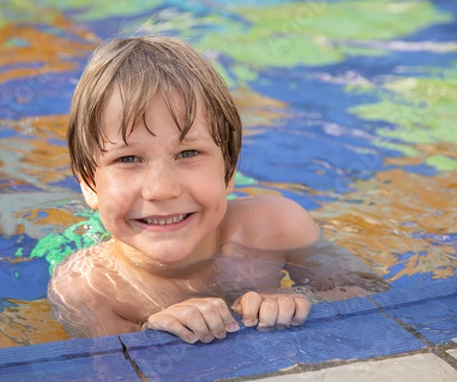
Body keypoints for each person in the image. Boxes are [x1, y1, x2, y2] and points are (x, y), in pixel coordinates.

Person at [47, 36, 388, 344]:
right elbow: (115, 372)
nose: (161, 190)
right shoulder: (88, 289)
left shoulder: (276, 227)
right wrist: (150, 336)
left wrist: (301, 300)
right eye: (128, 158)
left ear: (229, 171)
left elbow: (376, 300)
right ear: (89, 184)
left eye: (188, 153)